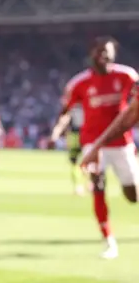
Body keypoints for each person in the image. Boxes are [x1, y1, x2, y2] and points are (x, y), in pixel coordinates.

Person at [49, 36, 138, 259]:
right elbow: (65, 112)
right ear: (91, 55)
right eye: (99, 52)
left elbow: (132, 109)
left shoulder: (127, 76)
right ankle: (109, 240)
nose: (103, 56)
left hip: (121, 142)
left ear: (113, 54)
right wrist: (56, 133)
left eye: (107, 52)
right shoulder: (79, 83)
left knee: (133, 195)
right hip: (93, 143)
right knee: (98, 185)